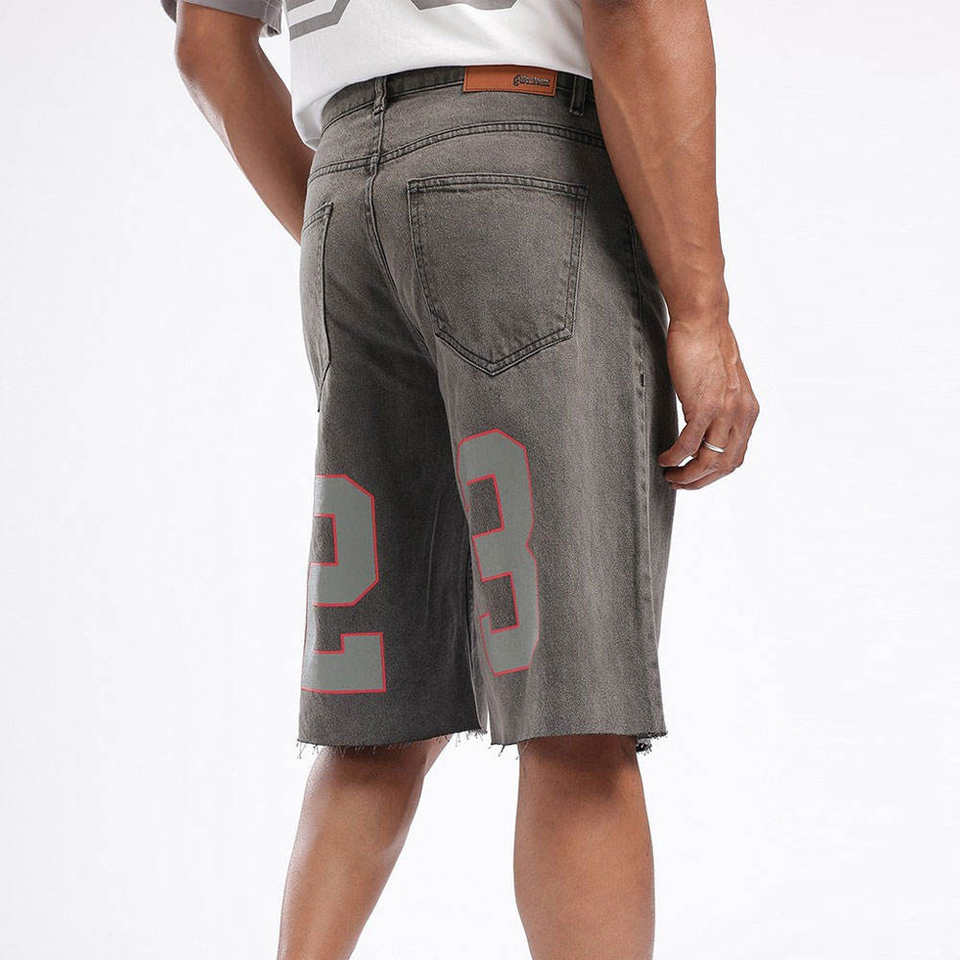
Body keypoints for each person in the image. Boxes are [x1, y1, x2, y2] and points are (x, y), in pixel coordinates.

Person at [163, 0, 759, 956]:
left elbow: (205, 41)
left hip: (341, 194)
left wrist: (351, 214)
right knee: (575, 709)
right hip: (521, 173)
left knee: (378, 715)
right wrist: (702, 310)